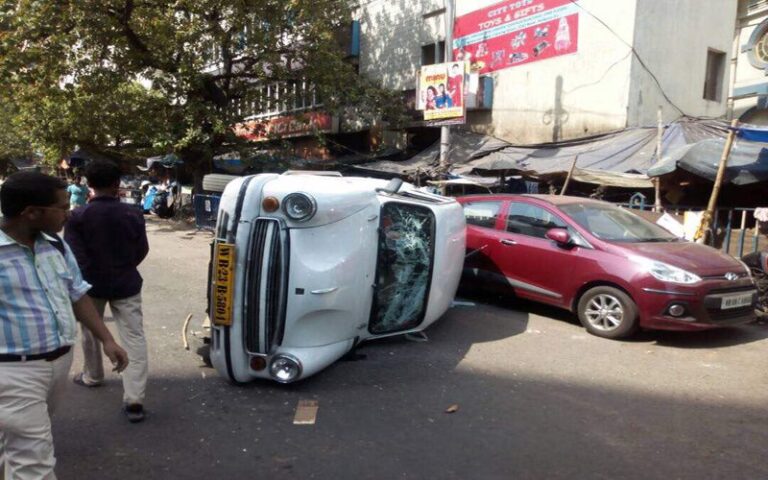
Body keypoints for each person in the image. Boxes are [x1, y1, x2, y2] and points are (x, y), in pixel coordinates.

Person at [0, 171, 129, 480]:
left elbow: (76, 293)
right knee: (35, 462)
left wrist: (107, 339)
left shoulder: (55, 245)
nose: (68, 212)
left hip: (58, 363)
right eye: (61, 206)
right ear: (32, 212)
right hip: (13, 372)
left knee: (14, 444)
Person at [65, 160, 150, 423]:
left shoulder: (77, 216)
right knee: (134, 337)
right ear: (117, 185)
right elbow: (141, 250)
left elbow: (74, 257)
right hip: (126, 283)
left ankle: (93, 375)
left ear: (89, 185)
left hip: (91, 286)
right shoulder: (133, 213)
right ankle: (134, 398)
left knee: (91, 333)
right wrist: (123, 266)